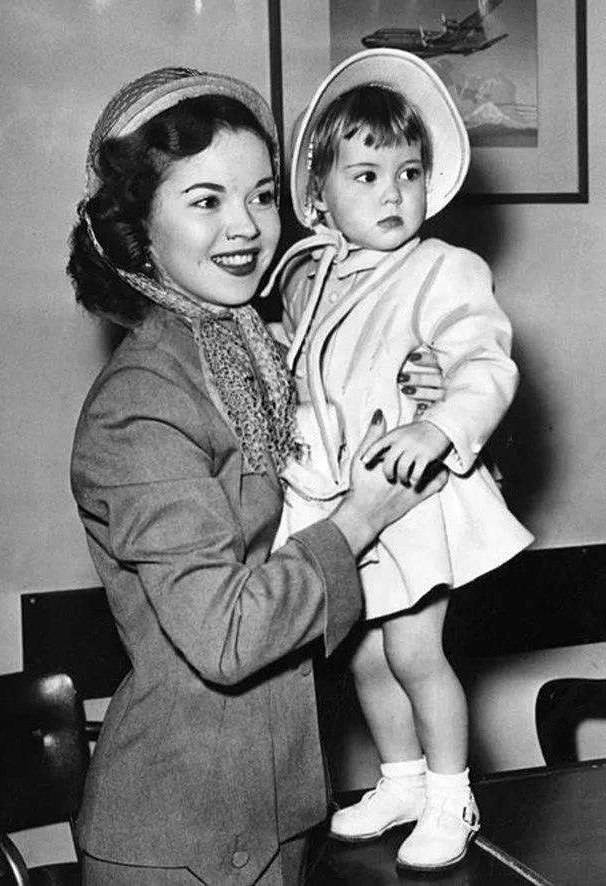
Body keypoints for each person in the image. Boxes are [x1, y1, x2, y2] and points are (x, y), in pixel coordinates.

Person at [66, 66, 447, 886]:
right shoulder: (140, 403)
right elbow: (229, 637)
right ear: (138, 224)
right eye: (205, 200)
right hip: (178, 839)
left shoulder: (262, 350)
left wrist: (426, 401)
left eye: (263, 195)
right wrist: (361, 515)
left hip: (278, 809)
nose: (246, 228)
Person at [263, 49, 534, 872]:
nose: (394, 193)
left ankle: (453, 792)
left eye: (409, 173)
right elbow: (302, 362)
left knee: (416, 651)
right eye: (368, 175)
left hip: (414, 495)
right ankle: (403, 779)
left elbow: (486, 360)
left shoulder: (442, 268)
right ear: (319, 197)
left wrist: (440, 421)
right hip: (344, 499)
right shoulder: (309, 278)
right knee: (364, 655)